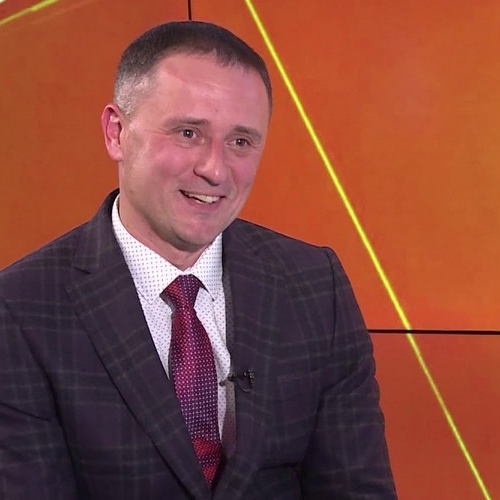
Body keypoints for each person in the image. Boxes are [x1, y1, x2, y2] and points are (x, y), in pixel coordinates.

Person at [0, 21, 397, 499]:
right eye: (188, 133)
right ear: (116, 133)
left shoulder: (314, 286)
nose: (214, 169)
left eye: (240, 142)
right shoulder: (19, 310)